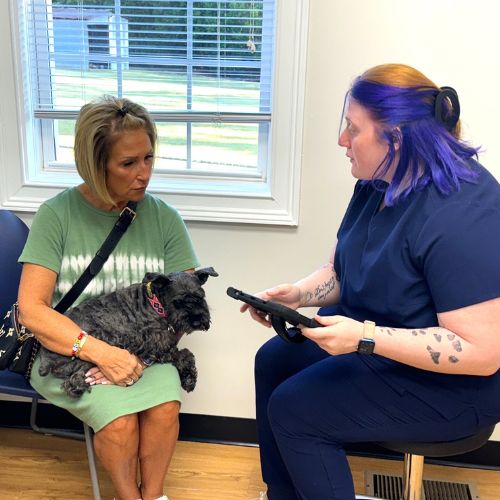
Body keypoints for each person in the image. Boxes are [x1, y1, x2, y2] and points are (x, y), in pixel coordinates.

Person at [240, 64, 500, 499]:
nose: (342, 140)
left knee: (296, 410)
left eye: (352, 128)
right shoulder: (380, 180)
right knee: (274, 360)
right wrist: (300, 294)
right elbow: (345, 269)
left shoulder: (463, 213)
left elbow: (481, 352)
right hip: (380, 346)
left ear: (396, 138)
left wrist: (365, 338)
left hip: (452, 387)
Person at [17, 95, 200, 500]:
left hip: (146, 351)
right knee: (119, 422)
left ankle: (152, 496)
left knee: (165, 407)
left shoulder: (164, 218)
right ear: (95, 164)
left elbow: (183, 308)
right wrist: (100, 354)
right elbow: (32, 310)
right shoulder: (57, 215)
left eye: (149, 158)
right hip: (69, 352)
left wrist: (143, 356)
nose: (144, 174)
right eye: (128, 163)